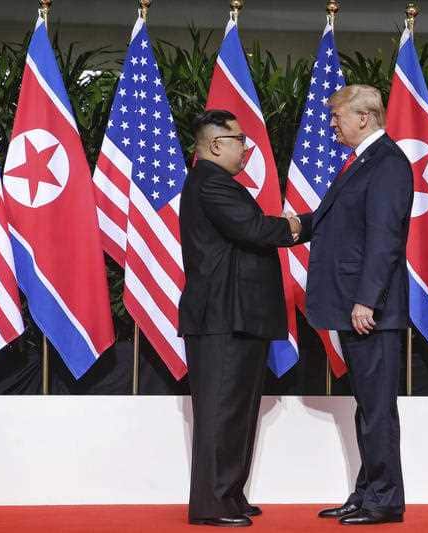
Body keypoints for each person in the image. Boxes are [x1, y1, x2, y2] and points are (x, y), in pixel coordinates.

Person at [287, 85, 413, 525]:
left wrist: (366, 301)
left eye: (336, 115)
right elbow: (332, 221)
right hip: (354, 305)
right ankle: (366, 493)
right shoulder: (363, 161)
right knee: (367, 405)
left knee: (377, 407)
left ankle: (384, 500)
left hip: (370, 311)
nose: (332, 123)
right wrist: (290, 225)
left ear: (364, 117)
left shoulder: (388, 163)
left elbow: (384, 239)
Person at [178, 109, 301, 527]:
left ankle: (229, 495)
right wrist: (301, 225)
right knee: (221, 412)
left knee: (238, 412)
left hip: (238, 316)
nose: (247, 148)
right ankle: (212, 504)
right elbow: (253, 229)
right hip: (221, 318)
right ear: (215, 145)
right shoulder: (210, 182)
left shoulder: (216, 183)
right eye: (240, 140)